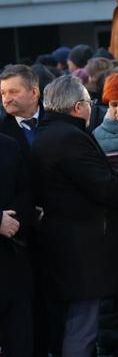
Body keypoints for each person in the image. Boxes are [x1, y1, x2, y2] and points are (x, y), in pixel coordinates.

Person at [31, 75, 118, 356]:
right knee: (82, 327)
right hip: (82, 250)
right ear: (79, 107)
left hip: (65, 244)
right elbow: (101, 186)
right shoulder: (70, 138)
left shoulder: (47, 134)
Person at [0, 132, 34, 356]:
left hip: (11, 257)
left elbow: (26, 191)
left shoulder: (8, 144)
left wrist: (15, 221)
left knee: (18, 337)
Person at [0, 64, 43, 155]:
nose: (6, 100)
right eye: (3, 93)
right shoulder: (2, 129)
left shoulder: (58, 117)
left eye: (13, 92)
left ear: (34, 92)